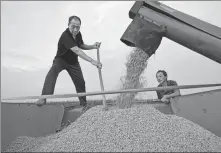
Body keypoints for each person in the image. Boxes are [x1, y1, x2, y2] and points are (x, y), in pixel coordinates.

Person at [36, 15, 102, 112]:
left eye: (78, 27)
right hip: (61, 60)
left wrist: (93, 46)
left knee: (80, 82)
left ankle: (83, 104)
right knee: (52, 72)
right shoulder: (65, 36)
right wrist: (92, 61)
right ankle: (43, 97)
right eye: (73, 26)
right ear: (68, 25)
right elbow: (77, 50)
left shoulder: (78, 34)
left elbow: (81, 45)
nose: (75, 29)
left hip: (73, 62)